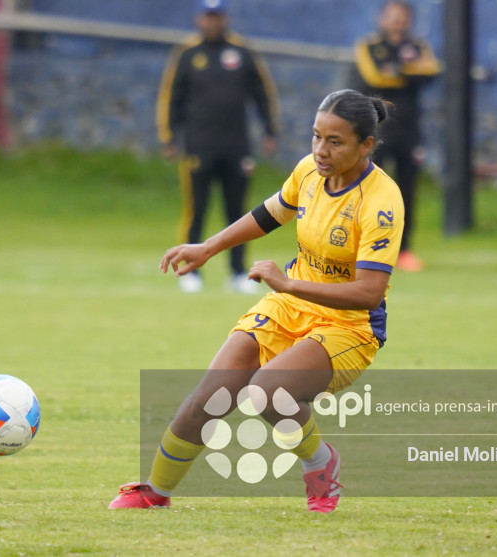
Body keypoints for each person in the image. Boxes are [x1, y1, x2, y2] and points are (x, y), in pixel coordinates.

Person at [109, 89, 404, 513]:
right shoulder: (309, 171)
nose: (320, 150)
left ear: (366, 145)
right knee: (210, 395)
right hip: (289, 305)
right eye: (316, 136)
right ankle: (155, 491)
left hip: (350, 325)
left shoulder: (381, 202)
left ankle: (321, 464)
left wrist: (288, 285)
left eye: (335, 142)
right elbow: (269, 214)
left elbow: (368, 292)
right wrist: (208, 247)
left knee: (268, 391)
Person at [157, 0, 279, 294]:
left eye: (217, 16)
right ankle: (190, 272)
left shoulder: (242, 51)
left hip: (236, 146)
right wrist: (168, 136)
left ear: (225, 18)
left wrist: (270, 130)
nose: (212, 22)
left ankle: (238, 272)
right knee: (196, 209)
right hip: (199, 146)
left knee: (238, 213)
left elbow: (263, 93)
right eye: (207, 16)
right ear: (199, 18)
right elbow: (171, 96)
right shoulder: (187, 53)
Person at [351, 0, 440, 272]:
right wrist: (407, 72)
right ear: (381, 19)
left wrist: (397, 70)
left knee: (406, 193)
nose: (397, 21)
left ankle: (404, 250)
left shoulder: (418, 46)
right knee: (368, 191)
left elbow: (431, 70)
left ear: (409, 20)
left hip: (409, 132)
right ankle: (364, 248)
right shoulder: (368, 46)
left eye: (401, 17)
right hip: (375, 132)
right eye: (392, 16)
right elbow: (375, 76)